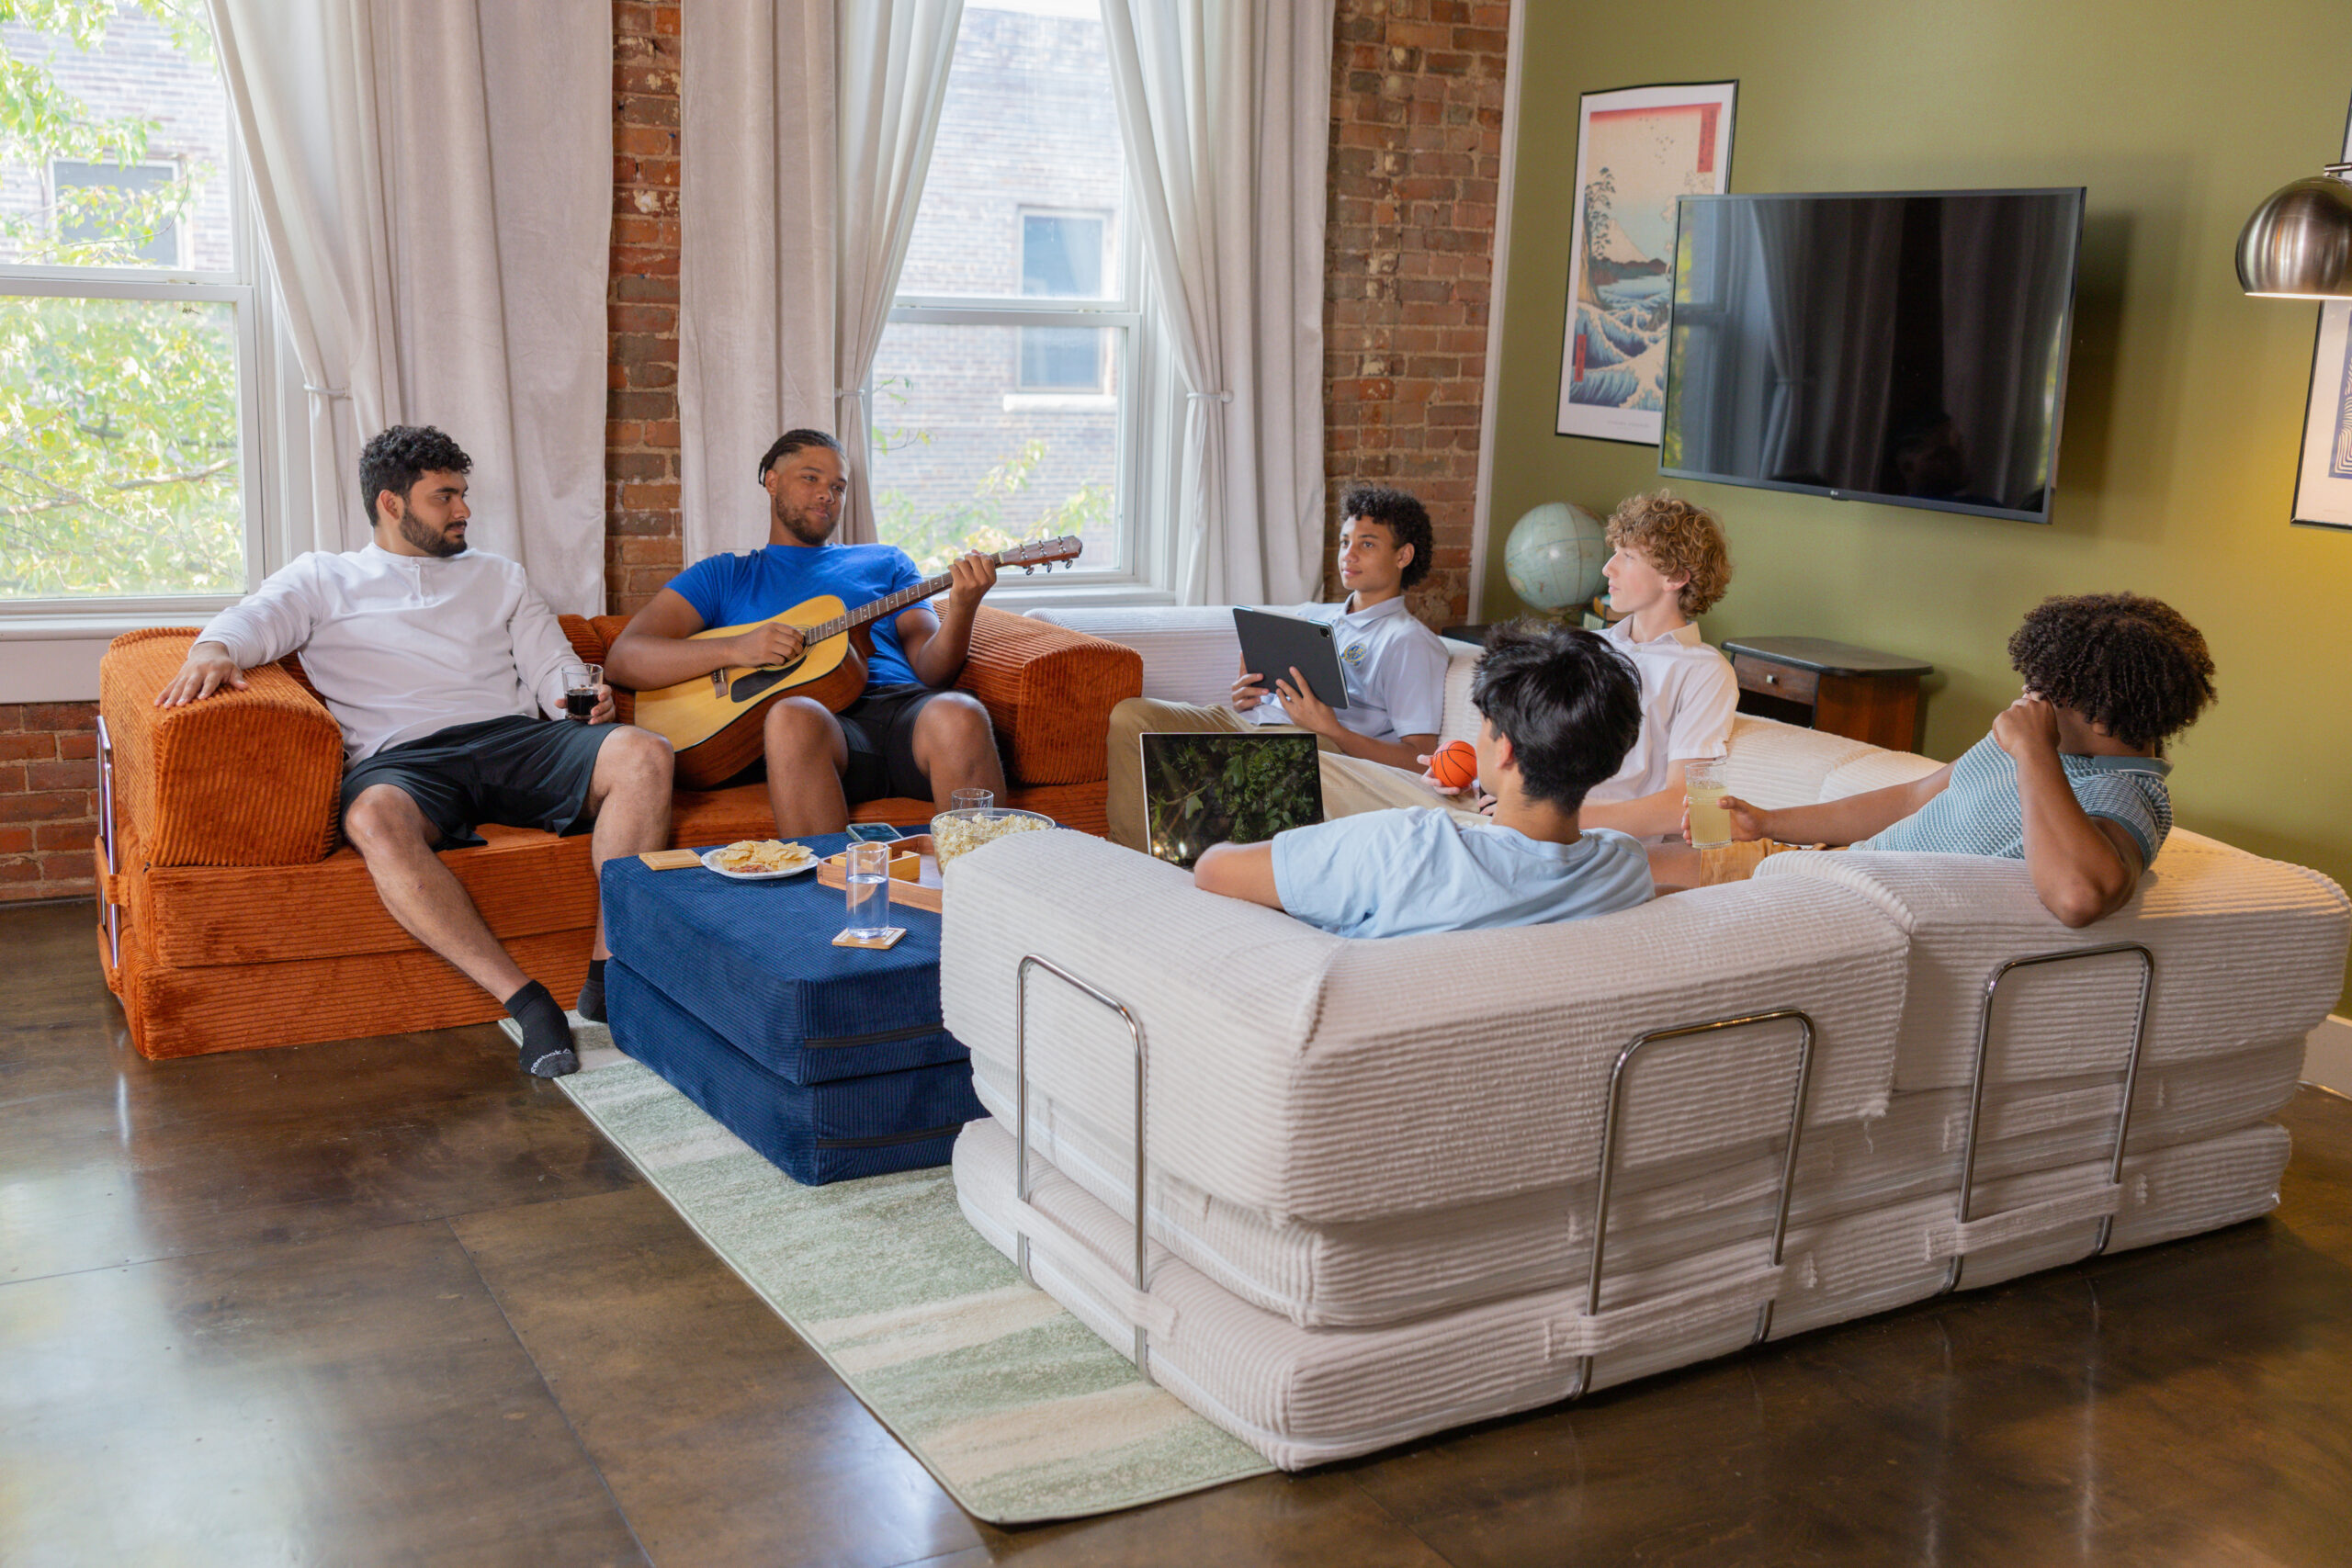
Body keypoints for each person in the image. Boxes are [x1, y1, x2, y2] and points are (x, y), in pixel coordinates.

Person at [153, 425, 674, 1078]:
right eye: (445, 497)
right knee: (371, 817)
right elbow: (249, 621)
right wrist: (211, 650)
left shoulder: (499, 576)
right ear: (391, 504)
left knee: (645, 753)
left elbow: (556, 672)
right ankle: (528, 1000)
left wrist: (583, 698)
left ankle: (607, 974)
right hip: (406, 759)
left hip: (513, 739)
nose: (464, 511)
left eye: (462, 495)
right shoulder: (324, 578)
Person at [1661, 592, 2216, 929]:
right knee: (1607, 868)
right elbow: (1911, 797)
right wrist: (1768, 821)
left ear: (2102, 717)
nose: (2026, 702)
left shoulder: (2125, 797)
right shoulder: (2032, 747)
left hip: (1839, 904)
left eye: (2044, 691)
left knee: (1610, 891)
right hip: (1824, 863)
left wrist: (2032, 751)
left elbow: (2078, 897)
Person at [604, 428, 1006, 836]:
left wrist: (964, 608)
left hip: (906, 714)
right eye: (811, 478)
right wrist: (737, 649)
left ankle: (987, 891)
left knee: (961, 712)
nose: (827, 494)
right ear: (772, 482)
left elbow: (930, 669)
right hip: (824, 729)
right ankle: (823, 897)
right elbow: (625, 658)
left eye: (838, 486)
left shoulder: (886, 561)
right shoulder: (725, 575)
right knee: (792, 716)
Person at [1321, 490, 1737, 841]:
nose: (1607, 568)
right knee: (1325, 773)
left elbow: (1685, 805)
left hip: (1578, 840)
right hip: (1508, 819)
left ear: (1676, 577)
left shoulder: (1702, 670)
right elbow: (1540, 753)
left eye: (1627, 556)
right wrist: (1475, 777)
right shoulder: (1588, 646)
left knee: (1397, 835)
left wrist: (1539, 816)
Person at [1193, 622, 1654, 938]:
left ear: (1506, 749)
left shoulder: (1403, 845)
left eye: (1484, 723)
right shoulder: (1625, 870)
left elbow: (1213, 868)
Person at [1102, 485, 1453, 850]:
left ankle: (1208, 858)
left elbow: (1418, 757)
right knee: (1133, 716)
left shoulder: (1409, 642)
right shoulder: (1312, 617)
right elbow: (1268, 695)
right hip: (1255, 726)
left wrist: (1333, 730)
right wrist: (1249, 695)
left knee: (1264, 751)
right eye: (1345, 542)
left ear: (1403, 556)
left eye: (1367, 544)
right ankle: (1133, 854)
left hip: (1318, 748)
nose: (1348, 555)